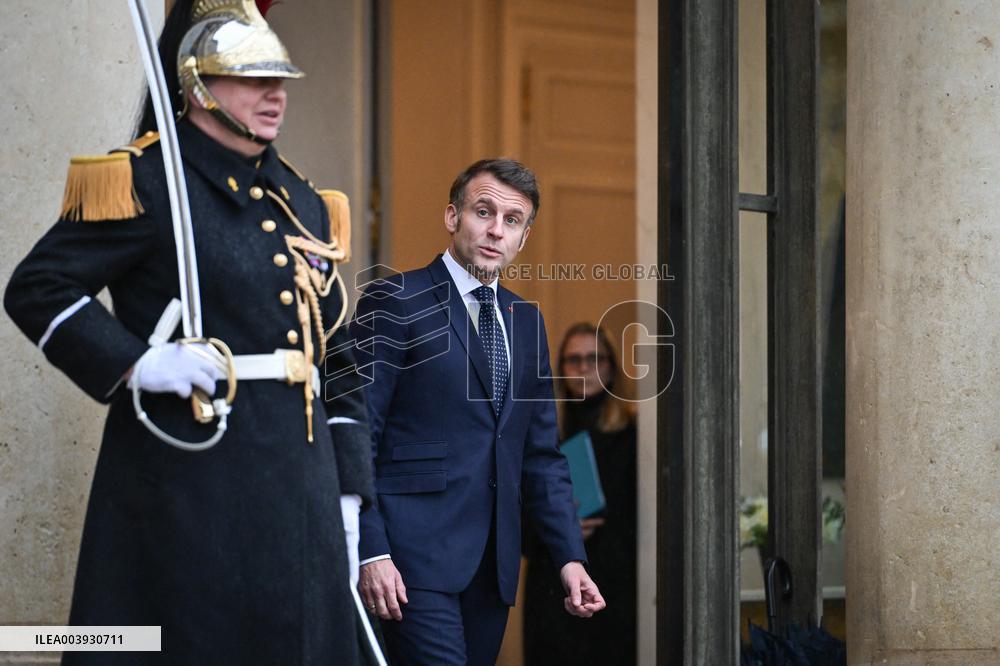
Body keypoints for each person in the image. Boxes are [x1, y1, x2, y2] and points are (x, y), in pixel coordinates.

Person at [4, 1, 374, 663]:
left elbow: (333, 353)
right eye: (253, 78)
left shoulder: (306, 200)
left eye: (279, 77)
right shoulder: (146, 183)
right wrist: (136, 364)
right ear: (200, 88)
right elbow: (38, 288)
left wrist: (348, 489)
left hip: (302, 490)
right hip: (195, 481)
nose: (275, 94)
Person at [350, 159, 606, 665]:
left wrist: (569, 557)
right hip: (410, 561)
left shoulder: (527, 321)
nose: (495, 230)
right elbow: (358, 434)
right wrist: (371, 549)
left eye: (512, 221)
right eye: (483, 211)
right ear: (452, 217)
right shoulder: (395, 300)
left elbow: (541, 458)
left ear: (524, 237)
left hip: (492, 567)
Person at [522, 322, 638, 665]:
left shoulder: (634, 434)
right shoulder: (541, 432)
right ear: (561, 369)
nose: (584, 368)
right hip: (553, 583)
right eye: (574, 360)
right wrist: (558, 527)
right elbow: (517, 517)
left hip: (616, 583)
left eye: (595, 358)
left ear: (611, 367)